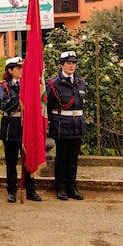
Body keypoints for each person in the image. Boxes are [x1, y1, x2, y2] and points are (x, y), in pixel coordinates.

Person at [0, 56, 41, 203]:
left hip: (27, 125)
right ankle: (12, 190)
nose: (21, 71)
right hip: (11, 125)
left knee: (29, 158)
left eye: (22, 68)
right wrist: (21, 96)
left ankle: (30, 190)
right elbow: (4, 105)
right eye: (18, 68)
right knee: (11, 161)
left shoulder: (29, 84)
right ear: (10, 70)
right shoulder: (2, 86)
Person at [46, 50, 86, 201]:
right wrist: (52, 124)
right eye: (68, 63)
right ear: (62, 65)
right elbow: (48, 106)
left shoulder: (81, 82)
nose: (71, 66)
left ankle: (72, 187)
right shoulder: (53, 83)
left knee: (73, 159)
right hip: (62, 124)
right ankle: (61, 187)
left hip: (77, 124)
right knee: (62, 158)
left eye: (74, 63)